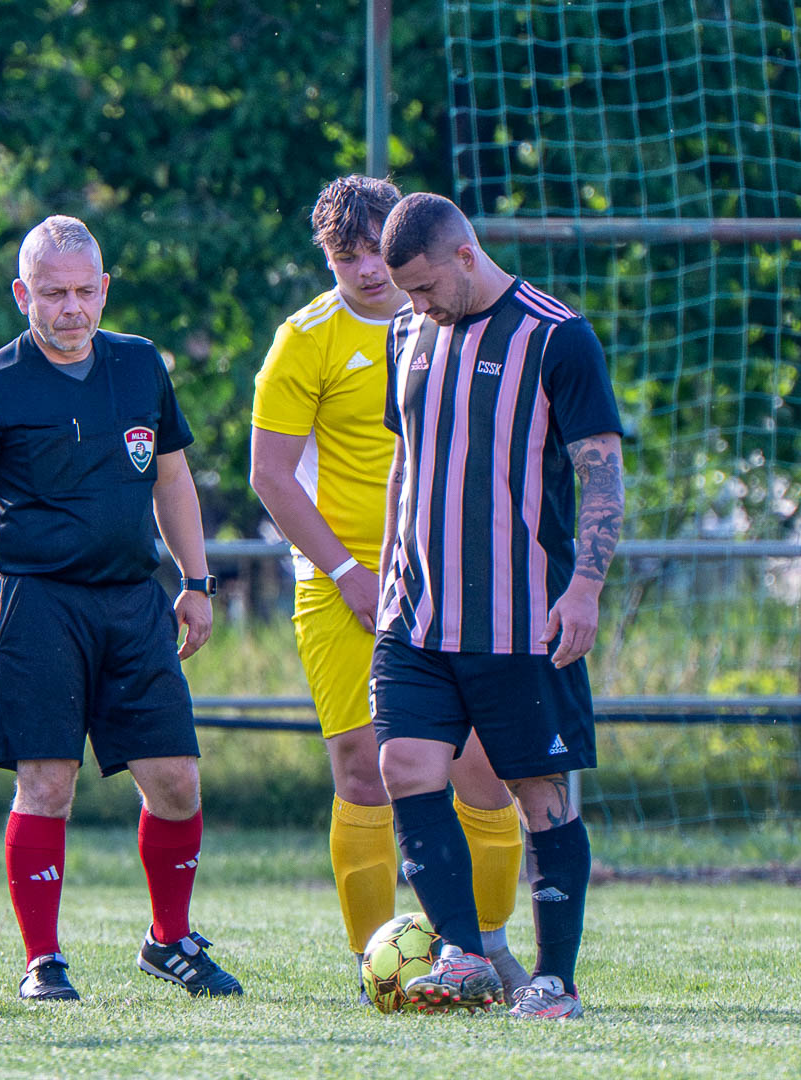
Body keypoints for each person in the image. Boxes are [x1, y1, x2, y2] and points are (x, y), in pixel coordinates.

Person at [0, 215, 241, 1003]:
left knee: (176, 780)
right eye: (51, 293)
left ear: (104, 288)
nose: (70, 309)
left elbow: (171, 478)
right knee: (46, 783)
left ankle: (169, 940)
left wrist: (196, 581)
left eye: (82, 292)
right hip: (39, 603)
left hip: (134, 601)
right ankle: (43, 960)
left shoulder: (139, 363)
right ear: (21, 294)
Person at [249, 176, 528, 1004]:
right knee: (364, 771)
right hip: (344, 586)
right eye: (346, 257)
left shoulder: (455, 319)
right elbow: (269, 475)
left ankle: (490, 949)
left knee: (483, 770)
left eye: (376, 251)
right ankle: (375, 961)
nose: (367, 270)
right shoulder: (304, 340)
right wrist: (349, 573)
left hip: (454, 581)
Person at [371, 193, 624, 1019]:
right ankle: (463, 954)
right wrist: (388, 567)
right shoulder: (404, 334)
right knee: (403, 765)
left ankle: (555, 980)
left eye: (422, 286)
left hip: (520, 616)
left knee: (537, 792)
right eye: (405, 293)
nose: (416, 305)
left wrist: (584, 586)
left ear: (465, 254)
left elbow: (600, 472)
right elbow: (405, 459)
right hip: (415, 611)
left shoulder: (556, 336)